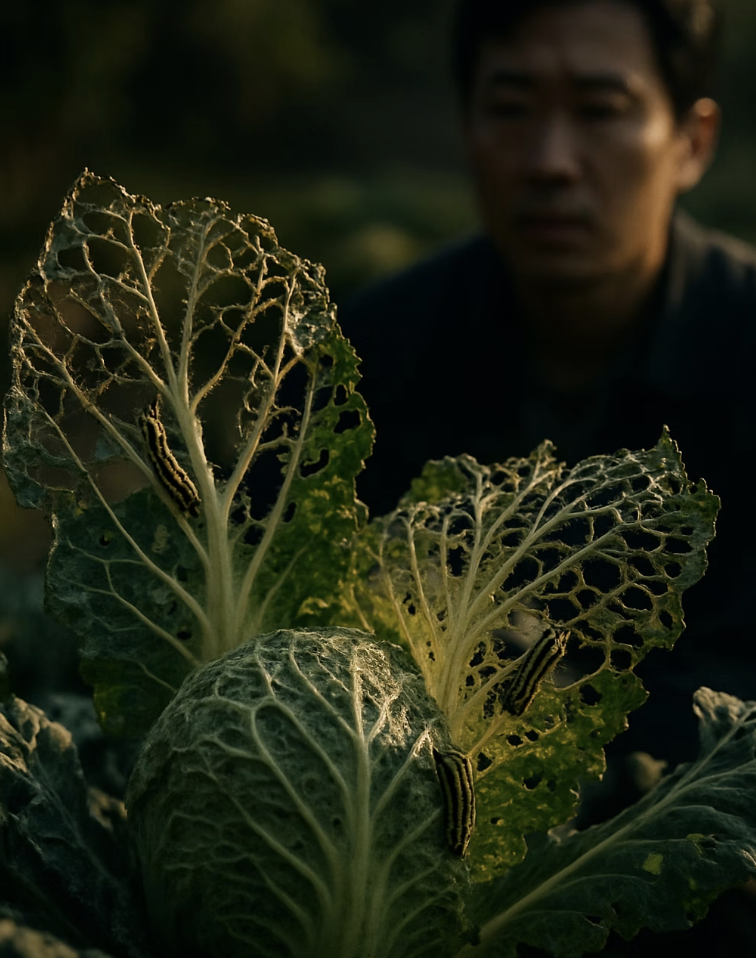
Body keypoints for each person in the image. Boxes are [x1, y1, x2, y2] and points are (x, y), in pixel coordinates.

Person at [338, 0, 756, 768]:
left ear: (692, 143)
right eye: (511, 109)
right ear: (468, 128)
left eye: (601, 111)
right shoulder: (365, 358)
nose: (551, 160)